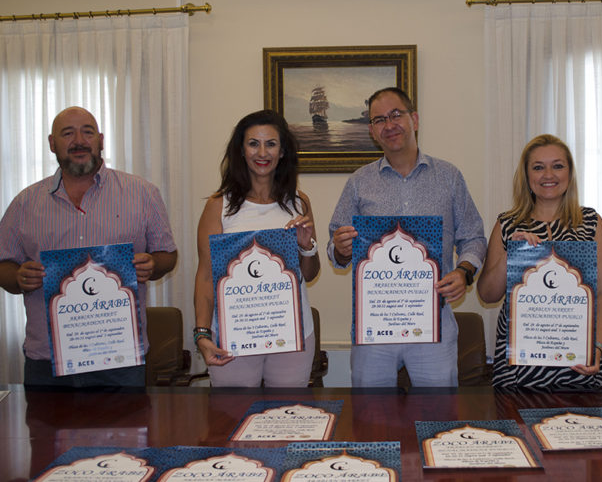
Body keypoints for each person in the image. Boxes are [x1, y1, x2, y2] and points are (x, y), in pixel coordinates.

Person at [0, 106, 178, 387]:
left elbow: (168, 255)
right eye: (67, 133)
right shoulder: (25, 203)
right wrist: (18, 276)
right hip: (48, 360)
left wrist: (153, 264)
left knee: (129, 419)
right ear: (52, 143)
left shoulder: (143, 193)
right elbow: (4, 265)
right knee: (43, 421)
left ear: (101, 140)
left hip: (120, 358)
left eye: (88, 132)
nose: (79, 141)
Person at [327, 87, 487, 387]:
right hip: (374, 325)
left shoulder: (449, 177)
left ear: (414, 119)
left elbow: (473, 236)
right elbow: (335, 248)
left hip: (433, 322)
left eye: (396, 115)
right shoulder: (359, 182)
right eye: (379, 120)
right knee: (371, 412)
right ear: (372, 131)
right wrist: (340, 247)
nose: (389, 125)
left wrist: (464, 272)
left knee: (437, 410)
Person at [477, 134, 602, 390]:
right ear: (527, 175)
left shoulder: (591, 222)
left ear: (570, 173)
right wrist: (512, 255)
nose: (548, 175)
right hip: (519, 367)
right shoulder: (507, 224)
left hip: (579, 362)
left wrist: (597, 348)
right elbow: (487, 294)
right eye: (538, 167)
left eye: (558, 166)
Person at [194, 110, 320, 387]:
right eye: (253, 143)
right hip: (233, 334)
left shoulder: (299, 202)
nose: (262, 153)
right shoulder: (218, 206)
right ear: (241, 150)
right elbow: (205, 276)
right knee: (232, 411)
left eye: (271, 144)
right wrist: (202, 333)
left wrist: (306, 246)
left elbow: (310, 274)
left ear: (282, 151)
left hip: (291, 334)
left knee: (287, 412)